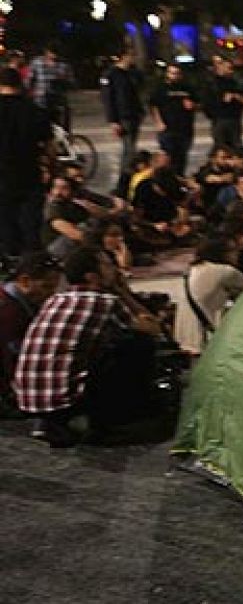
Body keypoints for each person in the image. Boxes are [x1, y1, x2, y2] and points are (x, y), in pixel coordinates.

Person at [13, 246, 163, 446]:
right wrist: (122, 291)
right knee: (139, 344)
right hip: (63, 400)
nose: (114, 269)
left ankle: (52, 422)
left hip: (27, 398)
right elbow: (153, 329)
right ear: (92, 276)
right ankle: (113, 421)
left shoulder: (55, 300)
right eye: (108, 265)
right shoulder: (104, 301)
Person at [0, 252, 61, 412]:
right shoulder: (9, 313)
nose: (51, 294)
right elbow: (13, 360)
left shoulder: (17, 302)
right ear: (25, 281)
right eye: (46, 287)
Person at [0, 67, 49, 260]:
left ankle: (8, 258)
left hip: (2, 174)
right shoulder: (35, 111)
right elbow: (49, 146)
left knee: (5, 219)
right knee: (30, 222)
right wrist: (50, 168)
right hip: (29, 173)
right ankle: (31, 260)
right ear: (19, 84)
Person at [174, 238, 243, 355]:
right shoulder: (226, 272)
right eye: (233, 250)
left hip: (185, 337)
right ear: (221, 253)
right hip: (205, 341)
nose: (237, 254)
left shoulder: (192, 270)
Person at [101, 49, 145, 181]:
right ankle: (125, 177)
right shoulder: (111, 74)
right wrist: (113, 121)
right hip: (122, 116)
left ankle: (128, 175)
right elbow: (108, 99)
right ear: (123, 57)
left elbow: (138, 92)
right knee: (129, 148)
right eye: (131, 56)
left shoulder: (132, 73)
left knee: (131, 147)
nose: (133, 58)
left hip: (134, 114)